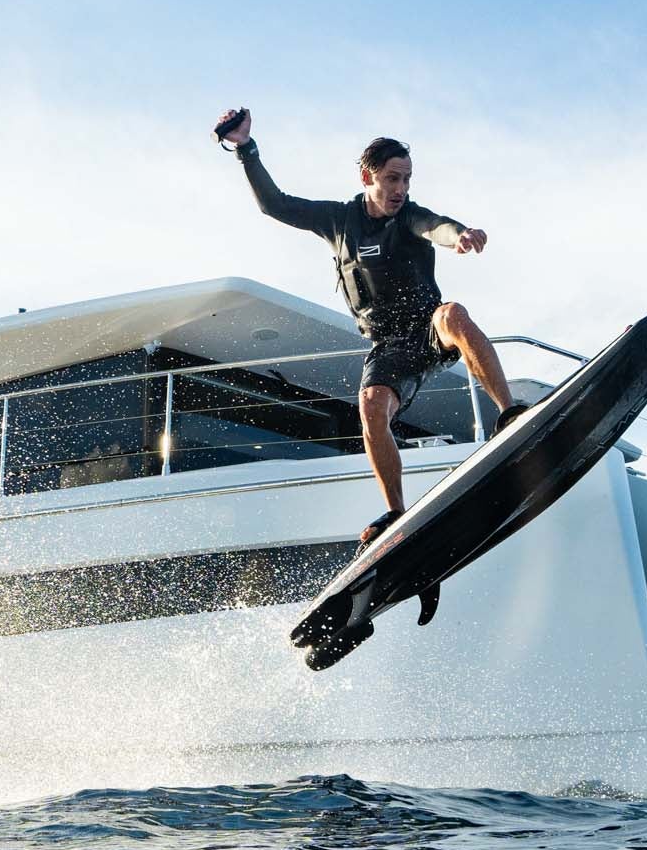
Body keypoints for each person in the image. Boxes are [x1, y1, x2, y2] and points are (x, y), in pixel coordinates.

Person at [216, 107, 526, 547]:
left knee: (453, 313)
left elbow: (434, 225)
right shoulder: (339, 221)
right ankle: (398, 514)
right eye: (392, 179)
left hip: (427, 328)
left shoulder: (410, 216)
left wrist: (458, 234)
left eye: (406, 179)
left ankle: (509, 413)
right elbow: (275, 205)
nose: (400, 189)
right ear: (368, 178)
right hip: (388, 345)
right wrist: (245, 148)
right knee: (370, 405)